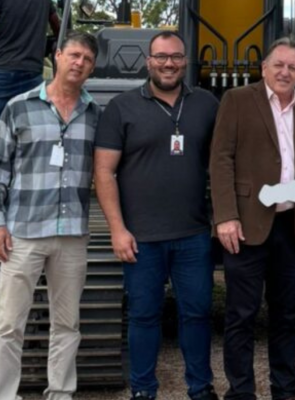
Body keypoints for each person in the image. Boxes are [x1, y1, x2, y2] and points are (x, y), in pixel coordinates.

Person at [93, 31, 219, 400]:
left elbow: (226, 158)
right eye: (161, 57)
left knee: (197, 314)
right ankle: (144, 389)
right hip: (141, 237)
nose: (169, 63)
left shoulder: (207, 104)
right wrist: (117, 230)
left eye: (176, 56)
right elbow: (103, 172)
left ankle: (200, 387)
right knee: (143, 316)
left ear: (185, 61)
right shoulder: (122, 107)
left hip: (193, 234)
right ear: (149, 61)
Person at [0, 31, 98, 400]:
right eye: (74, 55)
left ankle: (60, 392)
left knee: (67, 323)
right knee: (8, 323)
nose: (79, 63)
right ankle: (5, 395)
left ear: (92, 68)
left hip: (72, 235)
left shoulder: (95, 115)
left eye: (87, 59)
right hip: (23, 233)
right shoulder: (19, 107)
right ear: (58, 55)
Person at [210, 37, 295, 400]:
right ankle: (241, 391)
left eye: (292, 67)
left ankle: (285, 390)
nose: (285, 72)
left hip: (293, 225)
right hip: (246, 225)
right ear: (264, 68)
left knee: (287, 316)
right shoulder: (237, 100)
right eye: (278, 65)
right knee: (241, 315)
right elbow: (221, 159)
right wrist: (226, 216)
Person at [0, 0, 60, 205]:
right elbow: (57, 24)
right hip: (33, 73)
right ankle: (27, 189)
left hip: (2, 71)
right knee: (30, 133)